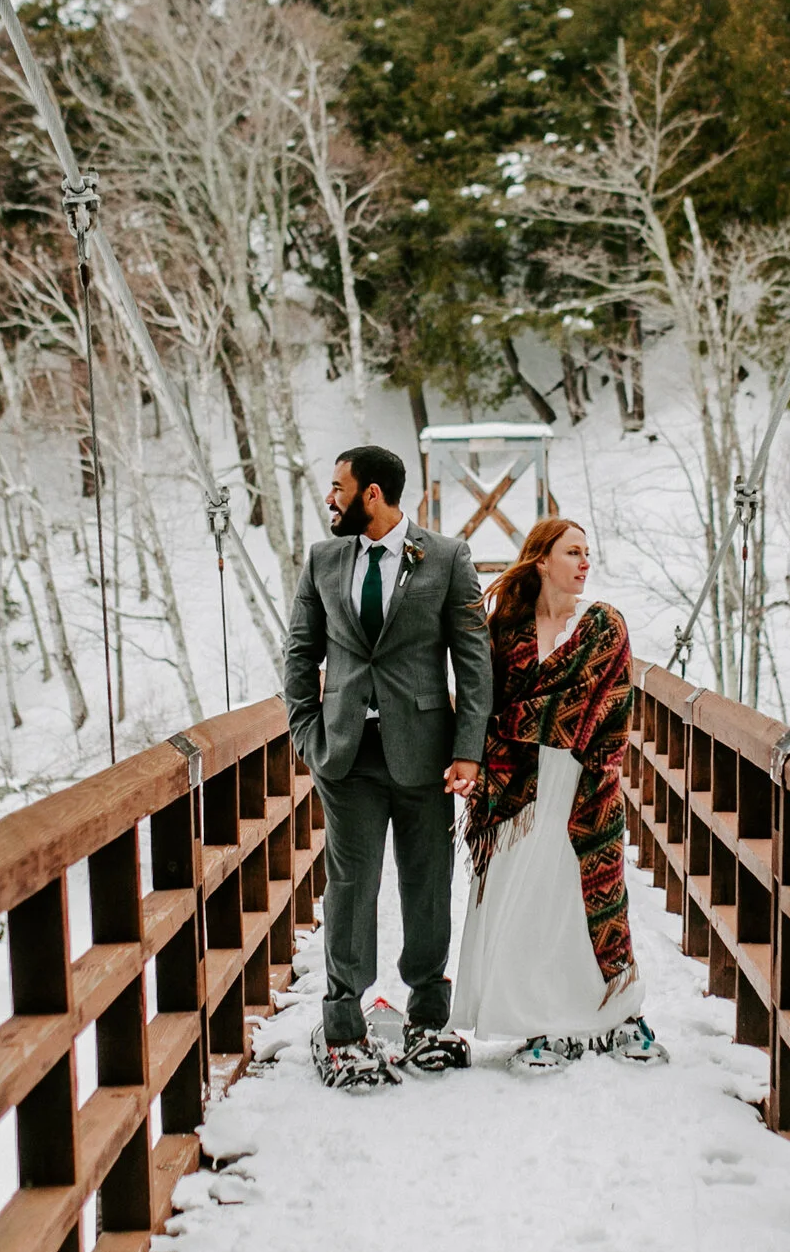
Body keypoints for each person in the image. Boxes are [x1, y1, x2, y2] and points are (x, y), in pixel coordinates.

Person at [281, 445, 490, 1090]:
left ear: (373, 494)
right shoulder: (322, 559)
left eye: (337, 487)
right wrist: (307, 734)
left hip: (425, 753)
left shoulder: (447, 558)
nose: (330, 499)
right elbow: (298, 652)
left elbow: (473, 660)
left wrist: (467, 749)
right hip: (344, 755)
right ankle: (343, 1024)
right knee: (351, 886)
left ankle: (429, 1017)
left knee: (425, 884)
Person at [452, 518, 665, 1071]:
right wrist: (493, 729)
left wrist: (507, 720)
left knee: (585, 902)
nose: (584, 562)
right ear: (542, 560)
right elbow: (479, 701)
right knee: (525, 903)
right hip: (518, 791)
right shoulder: (504, 631)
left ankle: (617, 1012)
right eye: (573, 552)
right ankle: (540, 1024)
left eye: (587, 553)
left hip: (583, 784)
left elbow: (595, 713)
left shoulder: (604, 628)